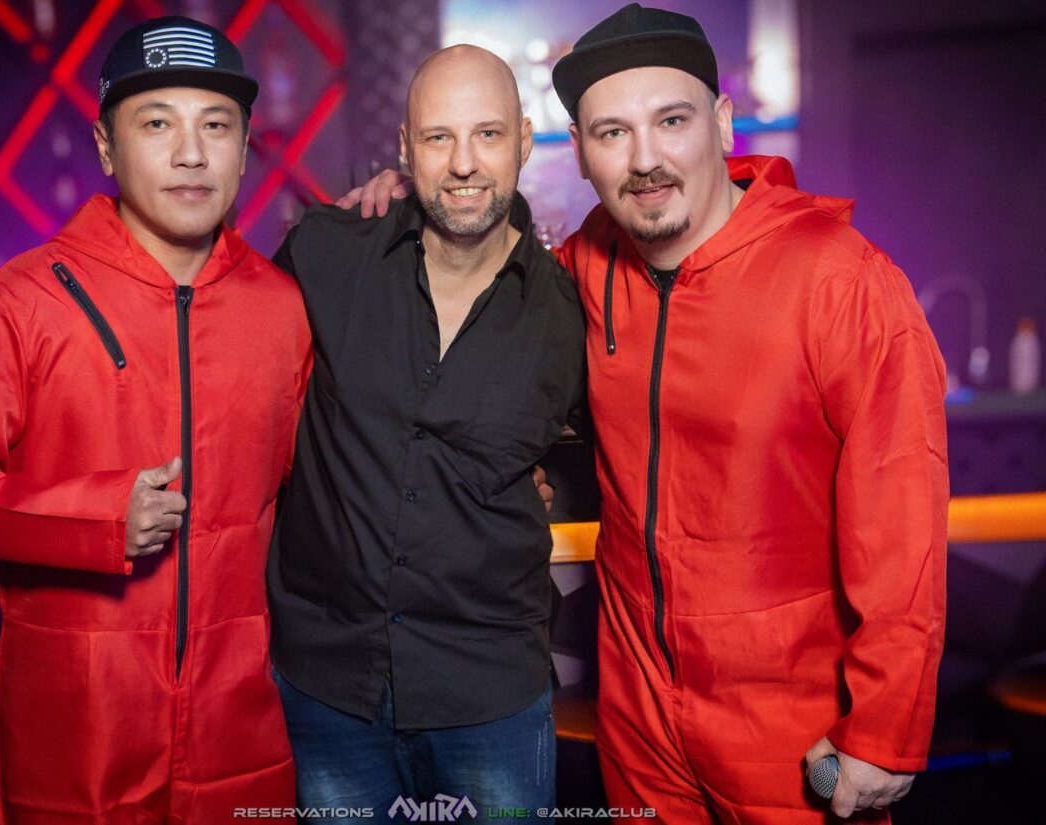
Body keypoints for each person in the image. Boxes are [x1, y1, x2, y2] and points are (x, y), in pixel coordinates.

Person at [344, 5, 948, 823]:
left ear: (722, 122)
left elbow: (902, 512)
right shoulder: (586, 267)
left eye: (671, 121)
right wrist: (408, 208)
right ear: (577, 150)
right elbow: (481, 285)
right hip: (638, 714)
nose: (645, 160)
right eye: (612, 132)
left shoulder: (839, 279)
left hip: (791, 715)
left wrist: (885, 724)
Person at [0, 16, 309, 824]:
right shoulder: (20, 301)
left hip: (241, 717)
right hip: (78, 724)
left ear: (244, 146)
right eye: (157, 124)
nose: (192, 153)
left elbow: (310, 491)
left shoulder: (282, 307)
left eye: (216, 125)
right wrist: (99, 515)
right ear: (107, 148)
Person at [267, 45, 585, 821]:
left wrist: (535, 479)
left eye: (487, 134)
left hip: (488, 694)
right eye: (439, 137)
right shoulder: (327, 254)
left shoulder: (569, 312)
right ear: (406, 149)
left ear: (523, 139)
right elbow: (235, 388)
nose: (464, 163)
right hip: (329, 686)